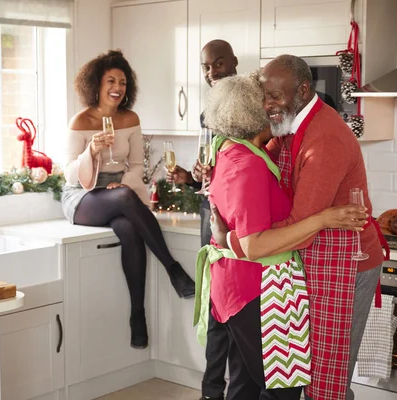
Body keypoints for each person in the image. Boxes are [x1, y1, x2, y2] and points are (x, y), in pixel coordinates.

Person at [211, 55, 388, 400]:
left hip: (344, 266)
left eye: (275, 97)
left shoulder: (325, 140)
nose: (268, 105)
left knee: (326, 381)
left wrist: (229, 238)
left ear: (304, 90)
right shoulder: (288, 128)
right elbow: (260, 158)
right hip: (312, 261)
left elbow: (299, 225)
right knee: (304, 377)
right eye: (263, 97)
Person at [61, 50, 196, 350]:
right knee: (122, 200)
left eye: (122, 82)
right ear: (96, 84)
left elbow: (137, 167)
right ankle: (173, 269)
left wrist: (122, 184)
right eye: (111, 80)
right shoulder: (81, 122)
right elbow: (70, 175)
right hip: (83, 195)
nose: (118, 87)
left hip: (120, 191)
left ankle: (138, 316)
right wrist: (91, 152)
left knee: (128, 227)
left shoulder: (130, 118)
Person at [166, 39, 238, 400]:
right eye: (206, 67)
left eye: (218, 64)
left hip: (239, 214)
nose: (211, 73)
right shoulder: (207, 112)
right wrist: (193, 174)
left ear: (234, 63)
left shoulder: (247, 107)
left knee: (236, 305)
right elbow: (209, 168)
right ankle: (211, 391)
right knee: (214, 299)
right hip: (211, 211)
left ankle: (238, 389)